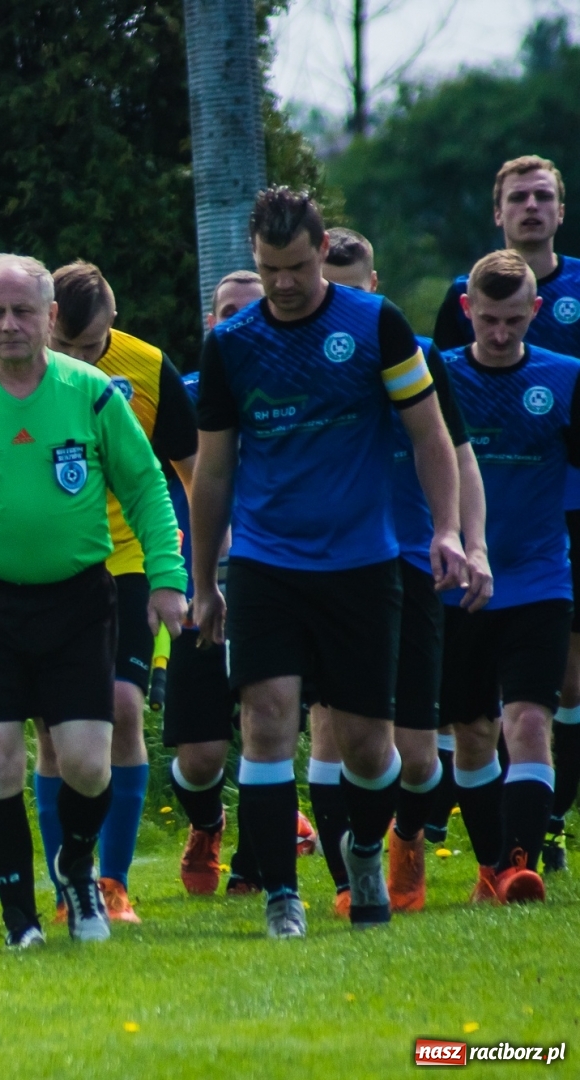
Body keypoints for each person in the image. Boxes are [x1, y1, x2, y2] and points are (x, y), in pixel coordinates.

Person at [0, 254, 185, 946]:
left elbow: (145, 488)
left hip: (78, 600)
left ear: (50, 317)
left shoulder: (94, 395)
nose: (10, 324)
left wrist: (167, 577)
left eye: (24, 311)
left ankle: (76, 867)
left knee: (85, 762)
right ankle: (20, 918)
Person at [190, 187, 468, 937]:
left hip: (362, 563)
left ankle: (368, 846)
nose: (284, 283)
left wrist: (447, 531)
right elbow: (213, 471)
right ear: (255, 258)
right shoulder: (231, 344)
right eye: (270, 268)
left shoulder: (376, 324)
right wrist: (203, 580)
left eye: (299, 267)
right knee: (267, 719)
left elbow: (430, 437)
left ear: (322, 254)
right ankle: (283, 893)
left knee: (369, 748)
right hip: (266, 562)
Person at [305, 228, 489, 918]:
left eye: (354, 288)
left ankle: (406, 835)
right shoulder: (296, 356)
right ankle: (351, 879)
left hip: (409, 563)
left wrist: (473, 545)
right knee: (332, 729)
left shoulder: (414, 355)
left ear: (375, 288)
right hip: (330, 566)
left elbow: (460, 454)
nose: (341, 301)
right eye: (332, 286)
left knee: (415, 755)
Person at [33, 261, 198, 923]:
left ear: (114, 321)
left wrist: (194, 567)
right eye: (65, 348)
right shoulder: (12, 371)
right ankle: (63, 888)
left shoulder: (150, 370)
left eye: (91, 347)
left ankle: (113, 882)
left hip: (124, 558)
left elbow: (191, 473)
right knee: (51, 732)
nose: (78, 361)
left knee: (124, 710)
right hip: (48, 567)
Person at [434, 156, 580, 874]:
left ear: (535, 312)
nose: (499, 333)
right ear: (467, 310)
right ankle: (492, 864)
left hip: (541, 576)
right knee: (470, 731)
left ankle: (521, 863)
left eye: (512, 320)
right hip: (464, 578)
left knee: (528, 721)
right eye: (487, 320)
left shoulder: (565, 378)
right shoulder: (439, 376)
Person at [164, 270, 263, 897]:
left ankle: (257, 863)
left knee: (265, 722)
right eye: (226, 311)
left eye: (248, 312)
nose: (236, 322)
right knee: (200, 758)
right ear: (210, 321)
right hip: (200, 583)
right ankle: (207, 822)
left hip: (274, 579)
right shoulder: (186, 392)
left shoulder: (299, 384)